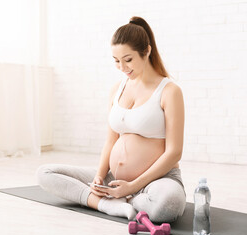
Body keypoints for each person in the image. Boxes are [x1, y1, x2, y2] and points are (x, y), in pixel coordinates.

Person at [36, 16, 186, 222]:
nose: (122, 67)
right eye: (116, 61)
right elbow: (111, 141)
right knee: (45, 173)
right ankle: (105, 203)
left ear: (147, 51)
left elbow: (174, 152)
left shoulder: (169, 91)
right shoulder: (117, 89)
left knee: (167, 206)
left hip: (155, 181)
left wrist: (133, 186)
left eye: (128, 59)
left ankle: (129, 198)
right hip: (113, 179)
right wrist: (99, 176)